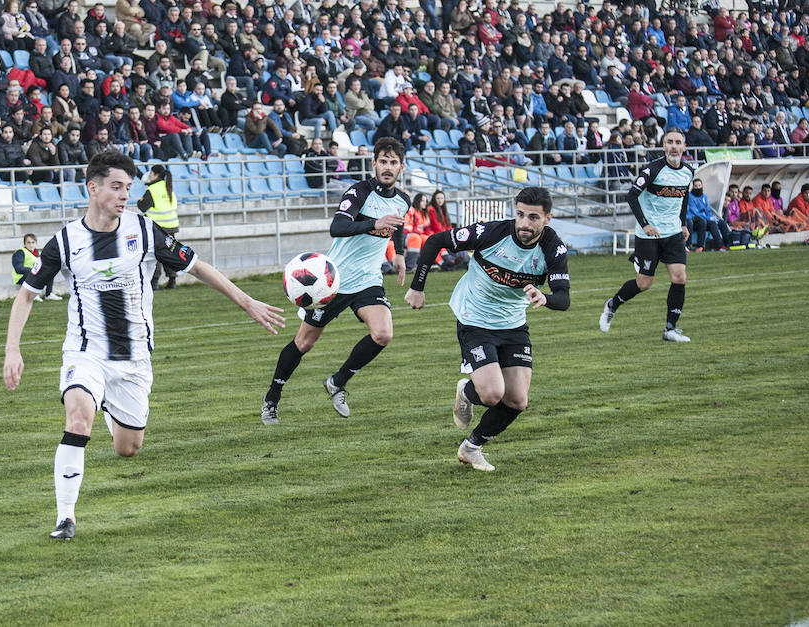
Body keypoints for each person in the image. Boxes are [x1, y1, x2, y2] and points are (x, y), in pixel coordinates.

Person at [3, 151, 285, 540]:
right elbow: (26, 295)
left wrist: (247, 301)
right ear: (93, 187)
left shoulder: (145, 230)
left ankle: (104, 403)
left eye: (128, 188)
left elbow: (197, 266)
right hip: (86, 352)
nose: (124, 195)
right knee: (78, 419)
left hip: (134, 359)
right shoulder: (65, 241)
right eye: (116, 187)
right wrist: (12, 350)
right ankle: (65, 517)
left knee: (128, 448)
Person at [403, 187, 570, 471]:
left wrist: (546, 298)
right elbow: (434, 241)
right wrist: (417, 287)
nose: (524, 224)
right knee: (492, 394)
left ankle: (472, 446)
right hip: (474, 318)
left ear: (548, 218)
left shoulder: (553, 248)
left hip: (514, 324)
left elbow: (563, 298)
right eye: (520, 215)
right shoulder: (491, 233)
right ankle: (470, 392)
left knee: (517, 400)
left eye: (533, 217)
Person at [261, 137, 409, 425]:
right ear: (374, 163)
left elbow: (398, 223)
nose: (388, 167)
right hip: (333, 281)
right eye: (383, 161)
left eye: (393, 162)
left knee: (383, 334)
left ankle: (337, 382)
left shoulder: (403, 199)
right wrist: (373, 224)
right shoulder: (359, 192)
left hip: (368, 280)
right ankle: (272, 398)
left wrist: (399, 254)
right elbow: (337, 227)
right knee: (304, 342)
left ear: (401, 167)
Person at [599, 128, 695, 343]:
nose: (673, 146)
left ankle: (670, 329)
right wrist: (646, 224)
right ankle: (612, 305)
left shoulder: (688, 171)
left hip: (673, 233)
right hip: (648, 235)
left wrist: (682, 224)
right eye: (669, 142)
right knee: (644, 283)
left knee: (679, 277)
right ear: (663, 146)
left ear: (684, 147)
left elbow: (684, 198)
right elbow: (632, 196)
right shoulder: (652, 170)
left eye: (678, 142)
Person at [136, 163, 179, 290]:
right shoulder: (168, 187)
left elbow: (142, 206)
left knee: (156, 254)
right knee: (169, 252)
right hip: (171, 225)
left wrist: (140, 200)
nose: (149, 176)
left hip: (157, 226)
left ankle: (154, 281)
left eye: (150, 173)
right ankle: (172, 279)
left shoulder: (152, 189)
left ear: (155, 175)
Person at [11, 233, 60, 300]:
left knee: (49, 271)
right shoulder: (20, 252)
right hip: (21, 277)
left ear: (36, 243)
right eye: (28, 243)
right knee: (32, 273)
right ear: (24, 244)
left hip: (34, 274)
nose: (31, 245)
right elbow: (18, 269)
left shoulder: (38, 253)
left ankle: (48, 294)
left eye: (33, 242)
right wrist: (33, 270)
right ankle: (33, 295)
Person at [686, 178, 731, 251]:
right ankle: (703, 246)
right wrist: (708, 218)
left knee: (721, 222)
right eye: (696, 186)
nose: (698, 187)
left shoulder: (704, 197)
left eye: (699, 185)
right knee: (708, 222)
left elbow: (707, 210)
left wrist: (710, 217)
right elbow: (695, 212)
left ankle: (728, 244)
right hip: (695, 220)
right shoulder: (690, 197)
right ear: (692, 187)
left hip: (705, 218)